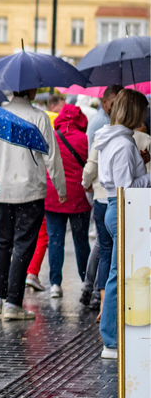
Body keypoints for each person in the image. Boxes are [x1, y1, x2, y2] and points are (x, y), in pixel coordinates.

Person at [0, 88, 66, 321]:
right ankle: (13, 303)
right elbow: (52, 156)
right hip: (30, 191)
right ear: (32, 90)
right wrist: (61, 188)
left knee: (3, 244)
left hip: (3, 190)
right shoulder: (39, 117)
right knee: (23, 246)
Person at [94, 90, 151, 360]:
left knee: (119, 274)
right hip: (123, 209)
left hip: (115, 208)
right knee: (119, 276)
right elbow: (126, 186)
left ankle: (114, 335)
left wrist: (141, 163)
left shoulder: (112, 139)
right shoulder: (124, 144)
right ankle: (111, 339)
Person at [34, 103, 92, 298]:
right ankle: (86, 280)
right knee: (81, 241)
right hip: (78, 196)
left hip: (53, 197)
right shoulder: (84, 139)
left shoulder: (52, 137)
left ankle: (55, 284)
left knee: (55, 240)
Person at [83, 86, 130, 302]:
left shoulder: (104, 132)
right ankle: (100, 298)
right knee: (108, 253)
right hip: (111, 199)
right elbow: (93, 166)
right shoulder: (107, 131)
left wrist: (88, 182)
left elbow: (92, 167)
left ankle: (95, 294)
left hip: (105, 198)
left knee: (104, 249)